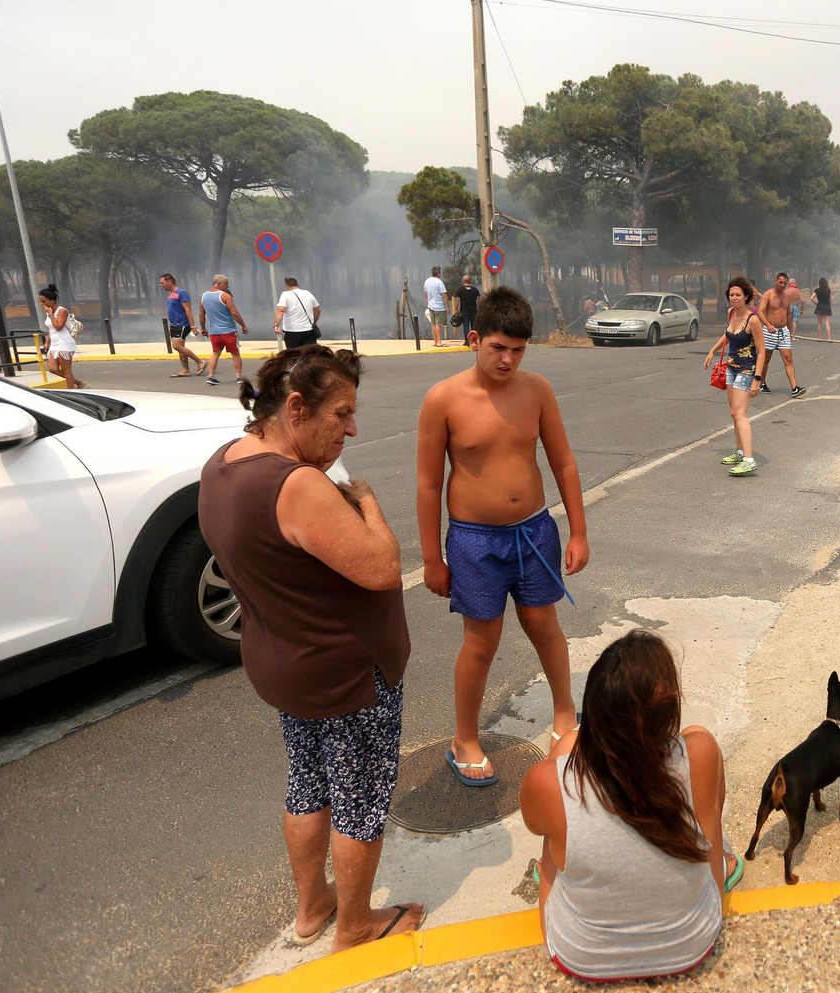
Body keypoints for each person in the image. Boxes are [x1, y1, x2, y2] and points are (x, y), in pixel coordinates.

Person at [198, 345, 426, 951]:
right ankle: (354, 926)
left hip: (284, 664)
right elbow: (381, 567)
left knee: (307, 784)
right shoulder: (295, 485)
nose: (352, 428)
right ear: (296, 407)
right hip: (344, 673)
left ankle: (312, 907)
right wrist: (369, 503)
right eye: (342, 414)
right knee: (361, 800)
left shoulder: (224, 462)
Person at [417, 287, 590, 786]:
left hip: (535, 532)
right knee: (481, 642)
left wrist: (578, 531)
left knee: (543, 625)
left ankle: (564, 715)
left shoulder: (536, 390)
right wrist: (433, 559)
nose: (507, 359)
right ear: (474, 339)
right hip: (474, 542)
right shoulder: (443, 400)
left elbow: (562, 461)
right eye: (497, 347)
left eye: (518, 349)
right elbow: (429, 483)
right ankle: (464, 739)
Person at [521, 629, 737, 981]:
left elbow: (535, 825)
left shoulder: (546, 779)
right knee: (706, 813)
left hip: (581, 953)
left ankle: (572, 866)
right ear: (667, 713)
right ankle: (722, 869)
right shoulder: (701, 752)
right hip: (692, 940)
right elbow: (709, 813)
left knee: (559, 794)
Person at [703, 276, 765, 476]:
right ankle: (739, 452)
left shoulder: (752, 320)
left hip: (746, 371)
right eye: (732, 294)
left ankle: (749, 459)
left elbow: (762, 351)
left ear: (746, 297)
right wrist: (713, 350)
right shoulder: (732, 315)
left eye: (738, 295)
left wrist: (757, 379)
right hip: (730, 369)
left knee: (740, 414)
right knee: (733, 413)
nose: (735, 298)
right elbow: (728, 335)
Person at [753, 272, 806, 398]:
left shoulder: (786, 296)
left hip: (783, 332)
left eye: (784, 283)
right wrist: (767, 324)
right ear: (775, 281)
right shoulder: (768, 294)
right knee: (765, 359)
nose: (782, 285)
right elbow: (760, 312)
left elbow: (788, 314)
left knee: (788, 359)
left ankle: (794, 388)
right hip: (769, 331)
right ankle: (762, 382)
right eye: (780, 282)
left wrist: (788, 330)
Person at [199, 275, 248, 387]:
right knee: (235, 353)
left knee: (215, 353)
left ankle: (211, 376)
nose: (228, 285)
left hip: (215, 332)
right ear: (219, 284)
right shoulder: (225, 296)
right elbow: (234, 313)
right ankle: (239, 376)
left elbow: (202, 314)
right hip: (229, 330)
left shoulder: (203, 296)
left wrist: (203, 328)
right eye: (226, 283)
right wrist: (243, 325)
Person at [38, 284, 83, 388]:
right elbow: (51, 328)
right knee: (53, 369)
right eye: (40, 301)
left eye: (43, 301)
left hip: (64, 343)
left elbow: (58, 327)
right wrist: (47, 342)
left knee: (66, 370)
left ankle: (71, 391)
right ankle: (78, 382)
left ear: (52, 300)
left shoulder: (62, 311)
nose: (41, 304)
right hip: (54, 343)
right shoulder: (49, 311)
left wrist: (50, 314)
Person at [160, 273, 202, 377]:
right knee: (180, 348)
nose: (161, 285)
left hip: (182, 324)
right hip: (174, 324)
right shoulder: (171, 295)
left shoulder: (181, 293)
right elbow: (173, 311)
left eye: (162, 282)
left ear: (169, 281)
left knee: (176, 346)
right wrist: (171, 326)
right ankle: (185, 370)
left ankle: (200, 361)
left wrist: (193, 326)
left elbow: (188, 310)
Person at [274, 278, 321, 350]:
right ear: (296, 284)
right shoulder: (307, 293)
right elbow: (317, 310)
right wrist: (314, 322)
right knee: (309, 356)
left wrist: (276, 325)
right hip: (308, 331)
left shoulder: (286, 294)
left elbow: (281, 310)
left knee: (294, 356)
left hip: (292, 332)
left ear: (287, 286)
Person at [423, 266, 449, 347]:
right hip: (439, 306)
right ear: (438, 273)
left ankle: (435, 341)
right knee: (439, 324)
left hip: (431, 306)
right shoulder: (439, 282)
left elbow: (426, 294)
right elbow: (444, 295)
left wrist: (428, 302)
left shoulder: (427, 281)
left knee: (433, 324)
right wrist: (447, 307)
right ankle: (439, 342)